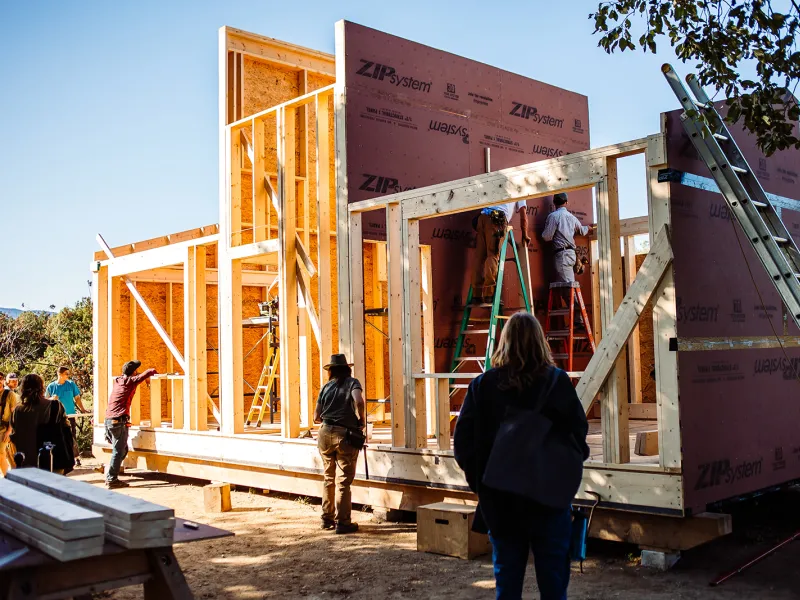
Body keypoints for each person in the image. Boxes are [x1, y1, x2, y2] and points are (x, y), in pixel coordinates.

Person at [454, 312, 589, 600]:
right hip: (549, 499)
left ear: (504, 342)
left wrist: (483, 484)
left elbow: (463, 445)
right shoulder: (557, 382)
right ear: (541, 342)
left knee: (507, 582)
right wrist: (563, 476)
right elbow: (578, 435)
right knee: (554, 584)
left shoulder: (483, 386)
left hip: (501, 502)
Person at [313, 353, 365, 534]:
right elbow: (358, 400)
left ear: (331, 370)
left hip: (325, 433)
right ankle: (343, 523)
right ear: (347, 369)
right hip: (344, 435)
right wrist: (361, 419)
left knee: (328, 478)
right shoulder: (352, 383)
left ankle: (327, 519)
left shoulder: (325, 387)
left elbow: (316, 417)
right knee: (343, 480)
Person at [105, 360, 156, 489]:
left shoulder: (119, 380)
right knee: (119, 451)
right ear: (133, 372)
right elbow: (150, 371)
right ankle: (111, 479)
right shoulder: (130, 381)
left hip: (109, 420)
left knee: (122, 450)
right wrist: (153, 374)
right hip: (118, 421)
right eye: (136, 370)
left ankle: (111, 471)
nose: (137, 372)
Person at [10, 373, 73, 472]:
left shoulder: (18, 411)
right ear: (42, 387)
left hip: (26, 463)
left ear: (23, 388)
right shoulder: (55, 406)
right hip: (52, 461)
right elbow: (66, 428)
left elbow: (14, 436)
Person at [473, 201, 530, 303]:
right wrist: (525, 234)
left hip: (482, 218)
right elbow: (523, 214)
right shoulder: (519, 188)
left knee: (479, 258)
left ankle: (476, 295)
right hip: (497, 220)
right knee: (492, 255)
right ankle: (489, 295)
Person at [541, 193, 595, 284]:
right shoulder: (572, 217)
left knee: (568, 287)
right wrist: (588, 228)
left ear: (554, 203)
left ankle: (575, 299)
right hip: (571, 254)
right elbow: (582, 230)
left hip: (562, 255)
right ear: (566, 202)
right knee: (566, 286)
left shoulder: (553, 216)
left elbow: (546, 237)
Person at [46, 366, 87, 466]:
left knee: (72, 436)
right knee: (58, 437)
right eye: (66, 374)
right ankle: (60, 458)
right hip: (56, 417)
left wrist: (82, 409)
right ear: (59, 374)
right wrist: (52, 398)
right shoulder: (51, 386)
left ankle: (76, 458)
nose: (68, 376)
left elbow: (77, 398)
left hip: (70, 415)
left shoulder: (71, 384)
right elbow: (45, 400)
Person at [0, 372, 19, 474]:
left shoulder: (10, 394)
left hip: (5, 429)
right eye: (12, 381)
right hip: (6, 429)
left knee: (3, 454)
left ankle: (9, 477)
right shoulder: (9, 392)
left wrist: (9, 430)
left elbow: (14, 414)